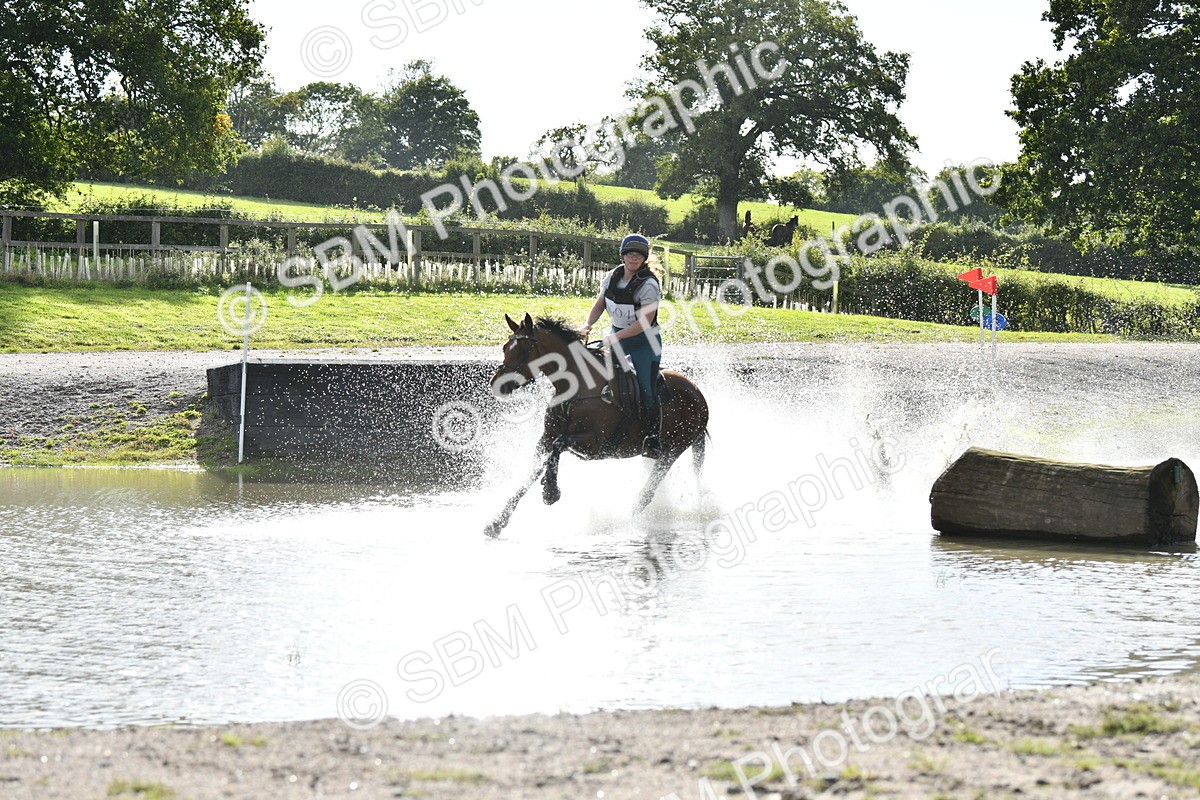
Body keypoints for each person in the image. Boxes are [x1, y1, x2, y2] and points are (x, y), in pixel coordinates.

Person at [580, 233, 665, 458]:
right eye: (630, 254)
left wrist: (616, 338)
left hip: (645, 342)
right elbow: (600, 304)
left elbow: (645, 322)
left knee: (647, 389)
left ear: (643, 258)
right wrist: (587, 325)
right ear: (623, 256)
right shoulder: (612, 276)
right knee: (597, 371)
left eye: (638, 255)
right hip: (618, 335)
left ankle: (653, 439)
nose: (633, 259)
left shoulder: (648, 284)